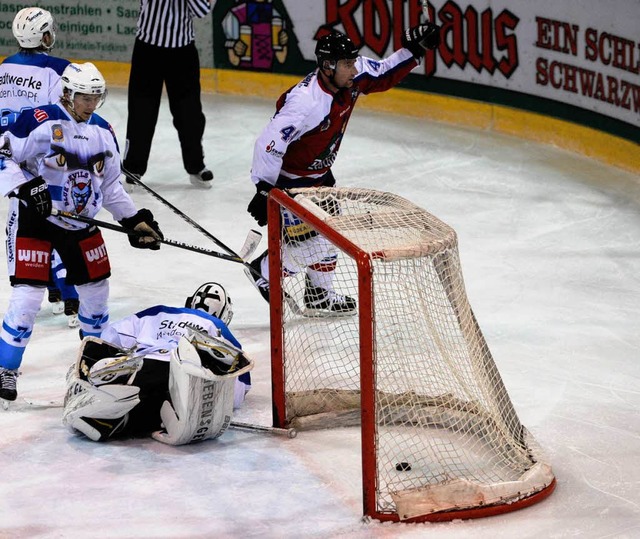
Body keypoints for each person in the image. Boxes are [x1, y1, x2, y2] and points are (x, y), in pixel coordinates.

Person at [245, 24, 441, 314]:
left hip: (320, 177)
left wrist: (415, 50)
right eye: (347, 63)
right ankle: (265, 270)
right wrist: (265, 189)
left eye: (353, 61)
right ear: (327, 66)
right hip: (292, 184)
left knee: (333, 234)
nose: (354, 68)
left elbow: (383, 73)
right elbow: (269, 144)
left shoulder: (350, 77)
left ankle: (319, 295)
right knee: (309, 246)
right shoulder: (305, 102)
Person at [0, 62, 164, 404]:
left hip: (81, 224)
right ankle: (6, 369)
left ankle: (95, 365)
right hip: (37, 221)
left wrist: (133, 220)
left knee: (97, 296)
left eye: (96, 97)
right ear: (66, 93)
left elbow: (112, 185)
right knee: (28, 299)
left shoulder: (103, 131)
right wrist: (26, 186)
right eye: (83, 97)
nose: (90, 104)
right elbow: (3, 156)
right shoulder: (39, 121)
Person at [62, 282, 254, 445]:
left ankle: (104, 405)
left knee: (135, 391)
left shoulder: (160, 311)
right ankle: (128, 421)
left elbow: (110, 337)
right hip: (182, 377)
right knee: (158, 411)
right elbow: (236, 387)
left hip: (144, 364)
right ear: (225, 315)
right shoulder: (218, 326)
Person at [0, 6, 80, 328]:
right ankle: (69, 292)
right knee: (56, 219)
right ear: (45, 35)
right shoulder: (59, 69)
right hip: (43, 156)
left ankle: (51, 286)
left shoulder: (4, 67)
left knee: (24, 224)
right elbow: (70, 114)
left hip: (9, 154)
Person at [123, 0, 214, 190]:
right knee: (142, 111)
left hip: (182, 51)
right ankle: (133, 168)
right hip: (148, 48)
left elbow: (201, 10)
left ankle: (196, 165)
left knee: (190, 114)